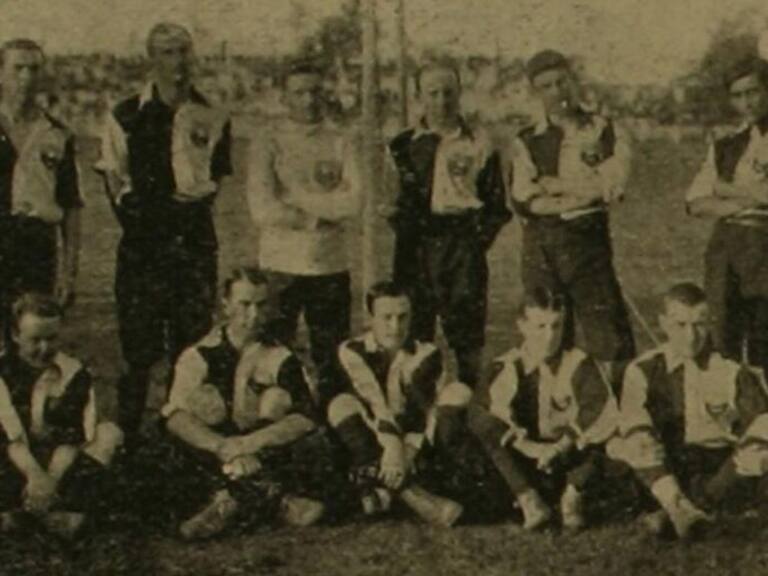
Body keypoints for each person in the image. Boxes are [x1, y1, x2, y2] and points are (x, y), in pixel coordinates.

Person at [96, 22, 232, 444]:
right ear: (152, 59)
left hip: (193, 244)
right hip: (144, 246)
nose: (179, 63)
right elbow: (113, 180)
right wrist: (144, 224)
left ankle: (184, 442)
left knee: (190, 348)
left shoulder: (212, 113)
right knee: (138, 351)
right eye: (169, 53)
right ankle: (129, 442)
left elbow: (217, 180)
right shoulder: (125, 114)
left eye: (185, 52)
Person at [163, 267, 326, 540]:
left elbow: (305, 416)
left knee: (278, 401)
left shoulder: (280, 354)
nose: (253, 315)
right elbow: (174, 416)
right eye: (244, 304)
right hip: (217, 450)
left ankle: (227, 500)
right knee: (203, 406)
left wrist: (250, 444)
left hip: (259, 448)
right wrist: (224, 448)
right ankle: (278, 500)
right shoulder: (199, 354)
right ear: (225, 305)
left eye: (261, 306)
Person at [384, 61, 511, 388]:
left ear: (460, 94)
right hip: (416, 245)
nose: (442, 101)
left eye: (449, 93)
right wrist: (409, 230)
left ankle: (467, 403)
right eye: (433, 93)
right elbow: (390, 202)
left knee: (466, 331)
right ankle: (414, 407)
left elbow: (497, 206)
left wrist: (473, 242)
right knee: (413, 329)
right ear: (419, 97)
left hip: (461, 244)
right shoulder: (401, 144)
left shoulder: (479, 142)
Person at [510, 49, 635, 384]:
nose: (557, 92)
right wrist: (581, 193)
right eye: (546, 86)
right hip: (542, 246)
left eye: (561, 82)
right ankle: (549, 414)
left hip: (587, 243)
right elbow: (526, 198)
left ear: (574, 81)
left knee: (608, 333)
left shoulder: (604, 130)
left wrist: (558, 187)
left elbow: (613, 185)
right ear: (536, 94)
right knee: (545, 332)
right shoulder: (526, 140)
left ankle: (621, 415)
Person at [246, 59, 362, 411]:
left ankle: (335, 432)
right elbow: (262, 208)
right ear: (285, 97)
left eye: (315, 91)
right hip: (281, 266)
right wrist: (320, 214)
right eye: (299, 92)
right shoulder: (269, 141)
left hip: (329, 264)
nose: (309, 100)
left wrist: (295, 200)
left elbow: (354, 201)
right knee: (273, 354)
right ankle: (275, 430)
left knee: (333, 357)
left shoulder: (340, 140)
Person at [614, 283, 768, 540]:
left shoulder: (730, 369)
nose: (691, 336)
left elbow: (762, 421)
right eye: (680, 325)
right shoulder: (643, 369)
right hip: (669, 467)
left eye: (699, 324)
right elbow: (634, 421)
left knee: (760, 451)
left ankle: (686, 511)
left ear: (709, 323)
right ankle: (679, 507)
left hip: (721, 470)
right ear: (663, 323)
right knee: (633, 443)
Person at [468, 288, 619, 531]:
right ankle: (528, 499)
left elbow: (600, 410)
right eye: (540, 327)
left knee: (602, 438)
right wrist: (532, 448)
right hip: (528, 460)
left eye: (556, 326)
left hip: (568, 456)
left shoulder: (579, 363)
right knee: (482, 421)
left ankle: (572, 496)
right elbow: (494, 412)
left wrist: (560, 447)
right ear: (522, 325)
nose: (550, 336)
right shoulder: (507, 365)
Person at [327, 281, 470, 527]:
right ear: (370, 317)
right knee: (340, 405)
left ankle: (379, 491)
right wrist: (392, 448)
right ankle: (410, 493)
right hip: (373, 435)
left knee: (455, 397)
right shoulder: (352, 350)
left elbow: (422, 411)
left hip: (414, 442)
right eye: (387, 317)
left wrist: (405, 456)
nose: (396, 327)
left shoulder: (427, 354)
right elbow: (373, 402)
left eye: (403, 317)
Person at [0, 293, 123, 539]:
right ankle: (46, 517)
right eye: (35, 340)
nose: (45, 348)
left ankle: (32, 515)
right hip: (15, 461)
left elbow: (71, 436)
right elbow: (10, 437)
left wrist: (50, 482)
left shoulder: (74, 373)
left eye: (52, 338)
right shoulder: (3, 372)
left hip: (59, 463)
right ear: (15, 336)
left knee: (109, 433)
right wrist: (34, 476)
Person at [686, 54, 768, 377]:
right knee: (722, 339)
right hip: (726, 248)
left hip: (765, 246)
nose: (746, 102)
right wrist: (748, 199)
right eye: (738, 95)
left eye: (753, 92)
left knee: (765, 338)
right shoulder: (726, 144)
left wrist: (726, 188)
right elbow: (695, 201)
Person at [0, 39, 82, 329]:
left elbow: (71, 206)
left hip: (36, 247)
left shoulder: (57, 134)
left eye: (34, 69)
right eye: (18, 68)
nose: (26, 77)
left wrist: (68, 272)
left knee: (31, 337)